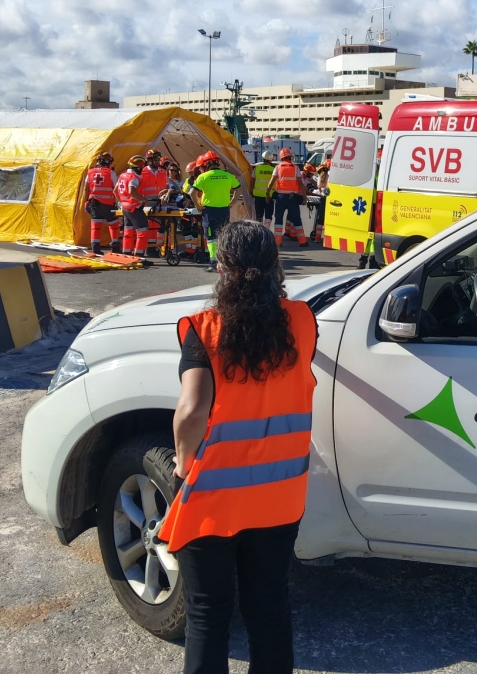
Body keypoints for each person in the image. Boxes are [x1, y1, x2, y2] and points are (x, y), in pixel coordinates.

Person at [159, 220, 317, 674]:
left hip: (214, 498)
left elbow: (191, 412)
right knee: (269, 611)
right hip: (280, 497)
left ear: (222, 267)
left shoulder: (203, 330)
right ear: (276, 266)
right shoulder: (303, 322)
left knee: (209, 615)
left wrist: (185, 466)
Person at [191, 151, 240, 273]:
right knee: (223, 235)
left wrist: (197, 205)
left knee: (211, 237)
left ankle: (213, 262)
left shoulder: (203, 177)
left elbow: (191, 192)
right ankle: (224, 261)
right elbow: (238, 189)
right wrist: (232, 203)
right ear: (218, 163)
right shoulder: (227, 175)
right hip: (224, 209)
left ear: (206, 164)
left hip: (209, 211)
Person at [115, 156, 150, 263]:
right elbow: (131, 190)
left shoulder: (123, 175)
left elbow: (115, 191)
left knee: (128, 231)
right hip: (134, 208)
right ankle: (139, 256)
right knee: (142, 231)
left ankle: (126, 254)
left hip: (125, 208)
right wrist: (143, 199)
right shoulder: (134, 177)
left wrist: (122, 202)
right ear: (138, 167)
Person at [271, 148, 307, 248]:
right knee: (296, 219)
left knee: (278, 219)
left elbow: (272, 181)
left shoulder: (278, 167)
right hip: (293, 197)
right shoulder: (296, 168)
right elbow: (300, 183)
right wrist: (304, 196)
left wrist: (267, 193)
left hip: (280, 197)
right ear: (290, 156)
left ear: (281, 157)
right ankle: (303, 241)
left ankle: (278, 242)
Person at [84, 152, 118, 254]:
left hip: (94, 204)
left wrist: (86, 201)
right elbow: (116, 189)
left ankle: (96, 249)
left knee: (96, 227)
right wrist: (118, 203)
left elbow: (86, 189)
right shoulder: (111, 173)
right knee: (113, 225)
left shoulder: (90, 172)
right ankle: (115, 247)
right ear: (108, 162)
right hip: (108, 204)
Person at [140, 149, 165, 257]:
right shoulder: (142, 171)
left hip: (160, 202)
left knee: (160, 225)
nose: (157, 161)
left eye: (158, 159)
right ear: (149, 160)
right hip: (147, 202)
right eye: (155, 159)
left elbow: (166, 186)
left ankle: (157, 247)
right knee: (149, 225)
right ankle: (149, 247)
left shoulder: (163, 172)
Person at [251, 150, 276, 230]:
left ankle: (259, 230)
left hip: (258, 195)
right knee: (269, 215)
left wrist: (251, 191)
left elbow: (252, 181)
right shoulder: (274, 170)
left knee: (259, 215)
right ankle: (267, 229)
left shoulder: (257, 169)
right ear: (271, 159)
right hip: (269, 196)